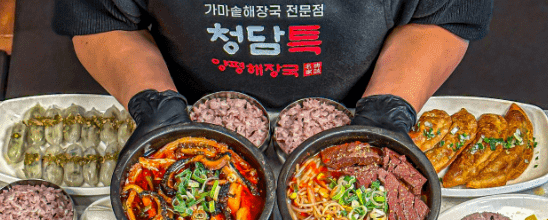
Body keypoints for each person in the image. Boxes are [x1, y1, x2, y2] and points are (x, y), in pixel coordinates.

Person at [54, 0, 492, 150]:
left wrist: (387, 109)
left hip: (359, 102)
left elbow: (442, 15)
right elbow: (101, 19)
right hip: (190, 109)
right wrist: (153, 103)